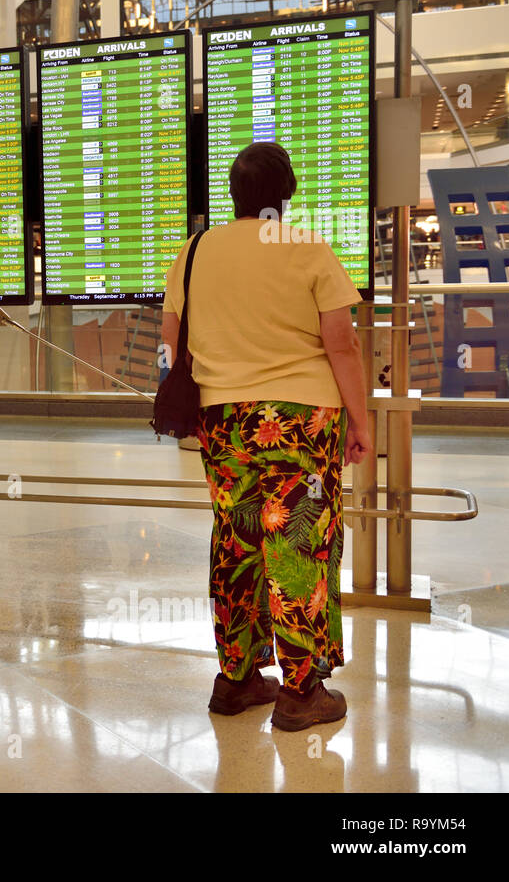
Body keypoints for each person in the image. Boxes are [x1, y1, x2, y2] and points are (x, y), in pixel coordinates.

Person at [160, 141, 372, 733]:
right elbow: (342, 344)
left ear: (234, 193)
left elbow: (170, 339)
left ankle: (237, 679)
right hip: (301, 420)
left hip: (222, 419)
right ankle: (302, 692)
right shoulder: (305, 246)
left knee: (238, 539)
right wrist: (361, 420)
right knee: (297, 541)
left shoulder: (196, 249)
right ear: (287, 192)